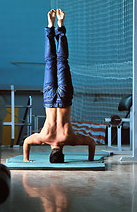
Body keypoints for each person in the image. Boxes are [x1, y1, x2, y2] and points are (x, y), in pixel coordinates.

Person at [23, 9, 95, 163]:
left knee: (62, 61)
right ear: (50, 154)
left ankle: (60, 27)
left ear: (63, 154)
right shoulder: (43, 138)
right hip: (49, 99)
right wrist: (25, 159)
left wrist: (90, 159)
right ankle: (50, 26)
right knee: (50, 62)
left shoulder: (70, 139)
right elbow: (26, 142)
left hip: (64, 98)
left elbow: (91, 143)